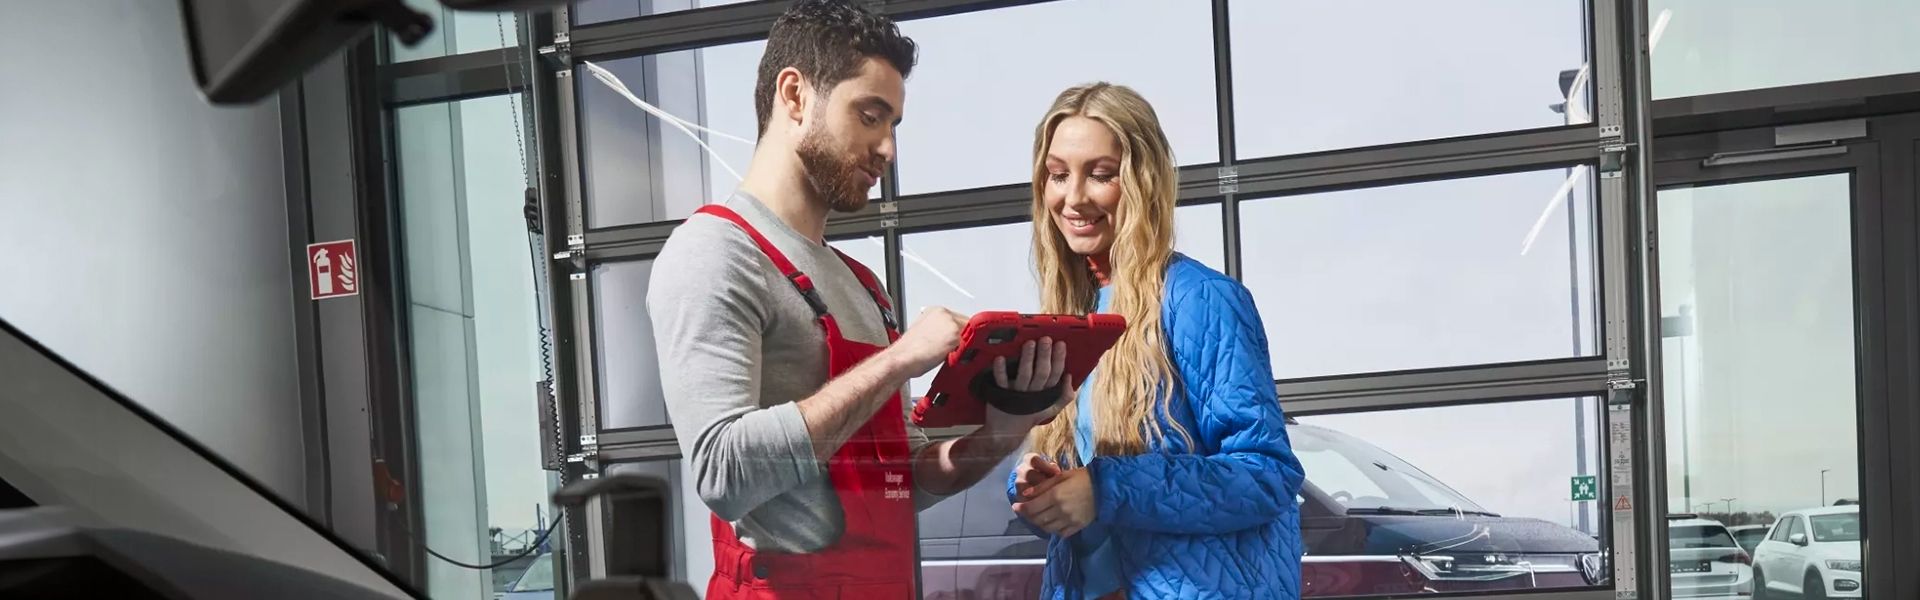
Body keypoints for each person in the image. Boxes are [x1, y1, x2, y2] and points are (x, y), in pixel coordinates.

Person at [645, 2, 1068, 598]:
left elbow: (905, 477)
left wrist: (1003, 430)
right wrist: (899, 360)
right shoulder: (714, 254)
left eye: (893, 125)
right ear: (794, 96)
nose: (888, 149)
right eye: (870, 117)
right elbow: (723, 473)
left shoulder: (864, 284)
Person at [1006, 83, 1306, 599]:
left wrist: (1105, 489)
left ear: (1142, 180)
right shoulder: (1068, 317)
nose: (1073, 197)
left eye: (1100, 174)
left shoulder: (1200, 300)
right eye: (1058, 175)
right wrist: (1043, 490)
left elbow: (1267, 475)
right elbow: (1087, 516)